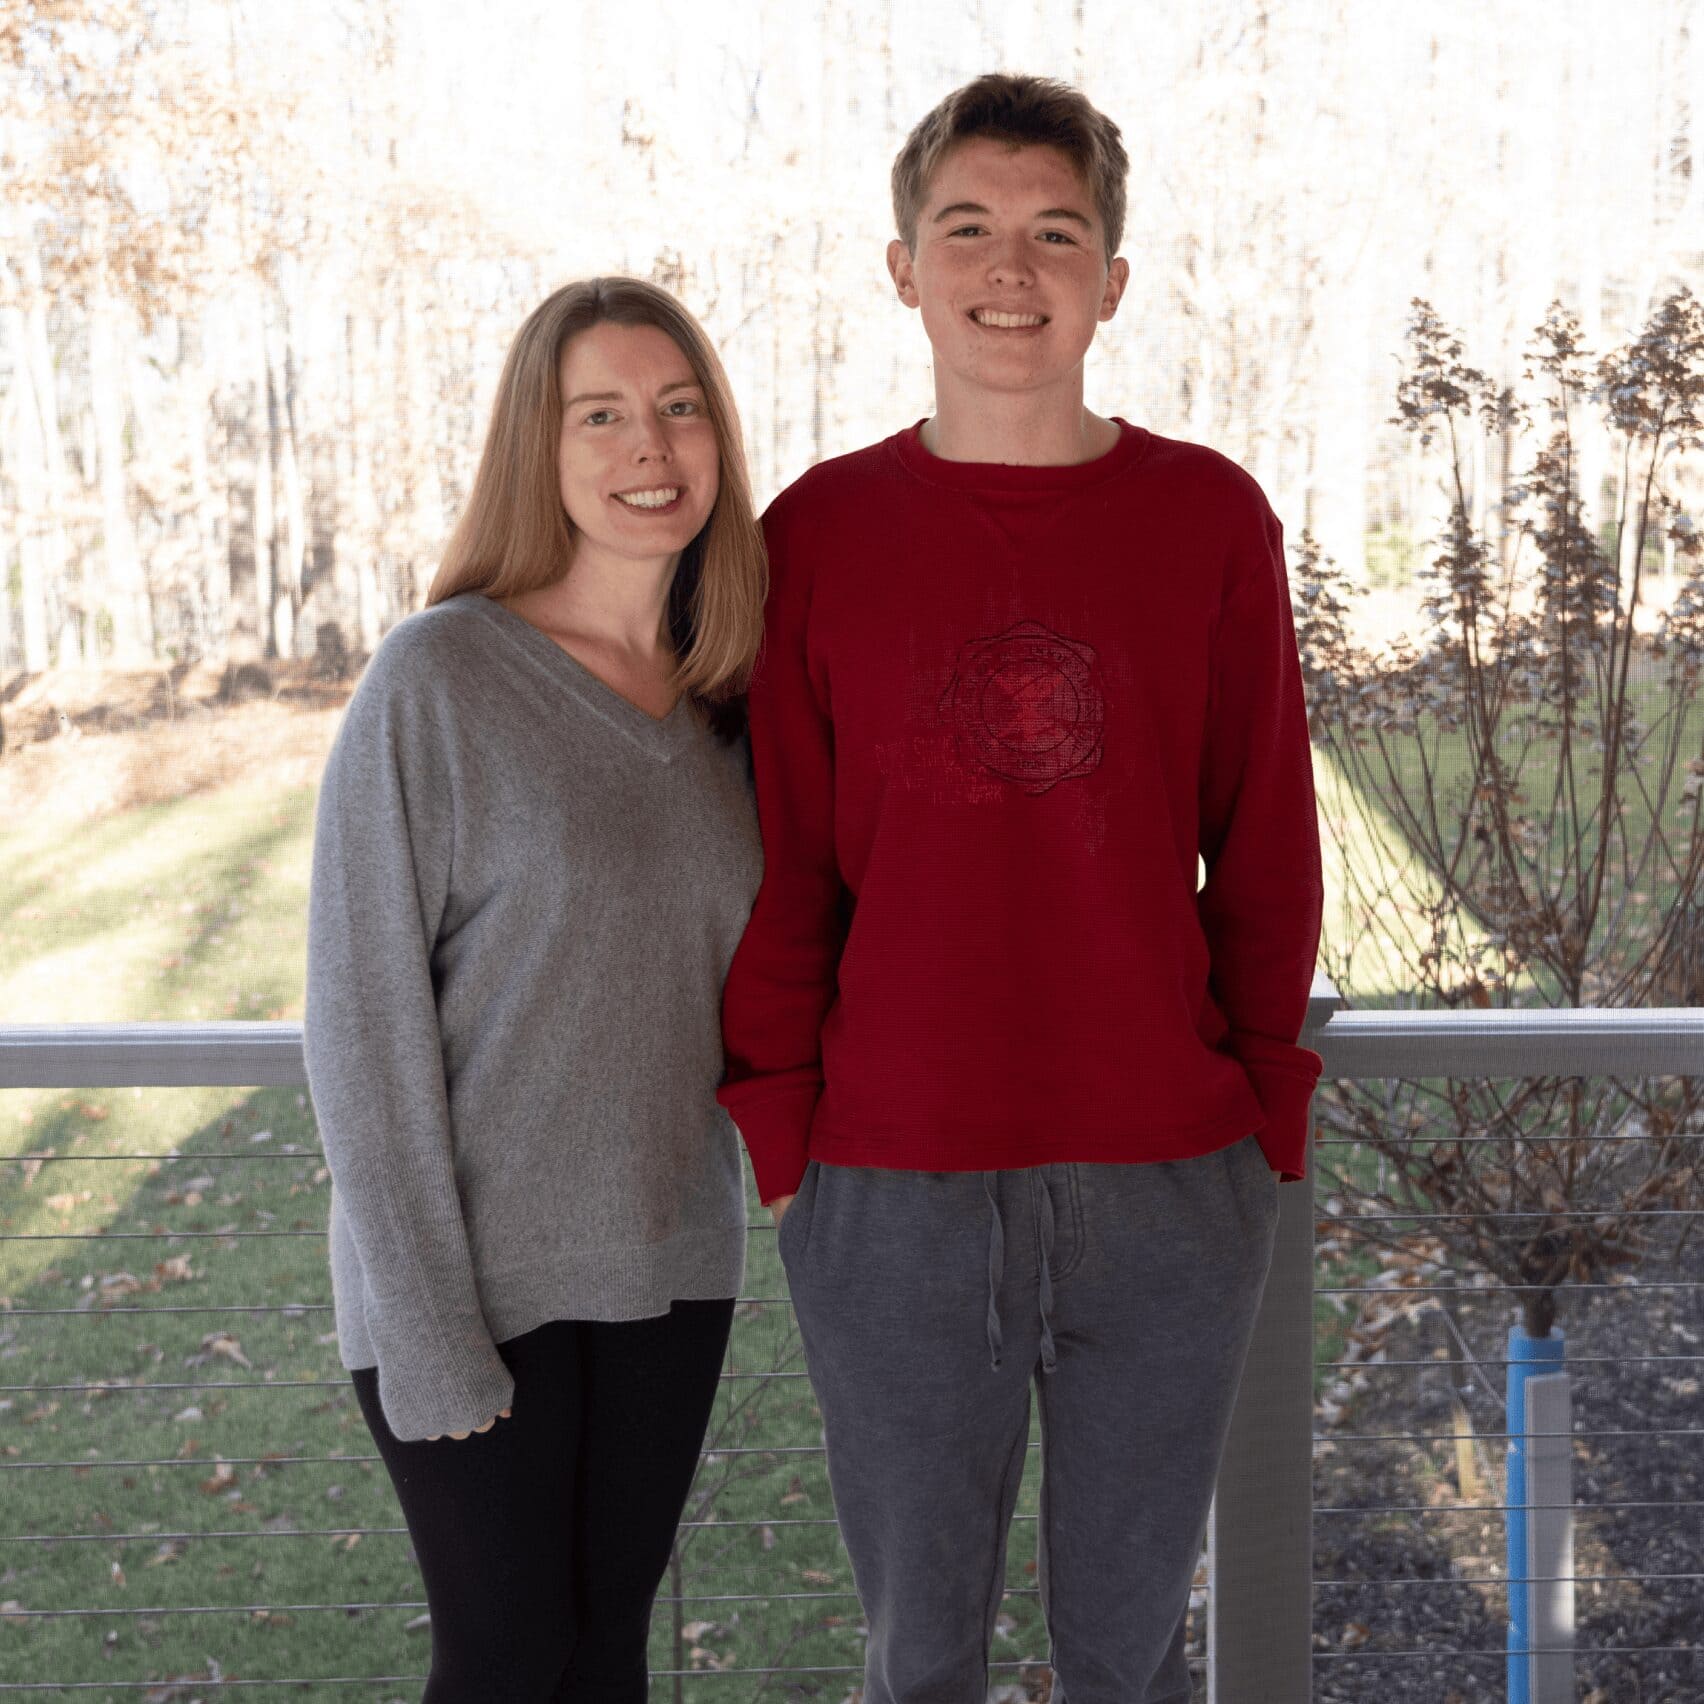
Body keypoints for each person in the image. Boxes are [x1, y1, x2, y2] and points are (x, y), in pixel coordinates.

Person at [719, 73, 1324, 1704]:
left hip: (1171, 1180)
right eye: (967, 227)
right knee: (921, 1657)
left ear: (1111, 280)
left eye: (1056, 231)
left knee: (1126, 1658)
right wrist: (787, 1137)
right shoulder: (818, 536)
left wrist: (1262, 1116)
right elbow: (779, 864)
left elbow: (1266, 846)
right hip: (890, 1189)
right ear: (902, 267)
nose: (1011, 265)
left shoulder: (1209, 520)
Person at [304, 276, 767, 1703]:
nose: (652, 449)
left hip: (669, 1270)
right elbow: (364, 1029)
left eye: (681, 410)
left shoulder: (724, 704)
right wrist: (430, 1332)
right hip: (475, 1287)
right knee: (508, 1663)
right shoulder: (439, 679)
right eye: (605, 415)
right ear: (540, 447)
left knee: (604, 1659)